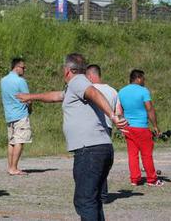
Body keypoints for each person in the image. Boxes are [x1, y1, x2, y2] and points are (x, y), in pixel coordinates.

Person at [17, 53, 127, 221]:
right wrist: (30, 97)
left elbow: (93, 93)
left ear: (67, 70)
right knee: (93, 199)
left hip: (90, 150)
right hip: (101, 148)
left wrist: (113, 116)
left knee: (84, 200)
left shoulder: (79, 82)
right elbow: (56, 96)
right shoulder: (74, 87)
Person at [118, 69, 164, 187]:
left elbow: (119, 110)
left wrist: (121, 124)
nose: (144, 81)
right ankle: (152, 179)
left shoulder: (122, 92)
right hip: (141, 127)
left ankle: (134, 179)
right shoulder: (143, 91)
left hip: (128, 127)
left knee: (132, 154)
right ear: (138, 78)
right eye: (143, 78)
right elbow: (149, 109)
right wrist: (155, 126)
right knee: (146, 154)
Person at [86, 64, 121, 203]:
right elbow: (119, 112)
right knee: (102, 162)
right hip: (108, 127)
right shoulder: (113, 91)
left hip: (92, 128)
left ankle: (94, 194)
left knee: (90, 163)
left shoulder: (90, 89)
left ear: (90, 76)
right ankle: (103, 195)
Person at [0, 58, 32, 176]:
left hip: (9, 114)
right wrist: (30, 108)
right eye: (23, 67)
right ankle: (14, 168)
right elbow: (27, 98)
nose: (24, 70)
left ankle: (10, 167)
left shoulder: (3, 80)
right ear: (17, 67)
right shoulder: (20, 81)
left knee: (11, 142)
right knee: (20, 141)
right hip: (20, 114)